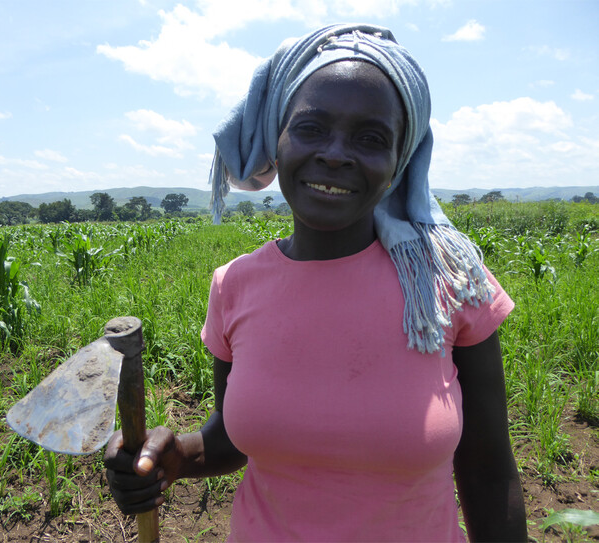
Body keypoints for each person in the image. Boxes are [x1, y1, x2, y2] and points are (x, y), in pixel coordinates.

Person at [105, 23, 527, 542]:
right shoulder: (235, 285)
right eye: (310, 127)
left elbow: (489, 471)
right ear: (277, 141)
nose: (335, 153)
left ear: (399, 161)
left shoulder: (448, 284)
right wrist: (177, 456)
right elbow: (233, 440)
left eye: (371, 138)